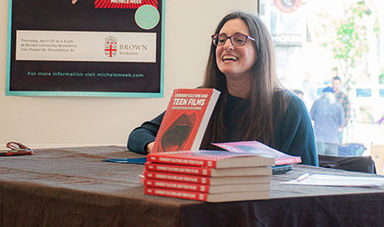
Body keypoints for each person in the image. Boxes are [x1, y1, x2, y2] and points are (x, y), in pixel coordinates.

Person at [127, 11, 318, 166]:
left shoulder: (289, 107)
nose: (227, 46)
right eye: (221, 39)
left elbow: (310, 176)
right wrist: (156, 147)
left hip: (265, 207)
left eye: (239, 39)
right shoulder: (200, 99)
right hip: (202, 204)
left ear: (261, 50)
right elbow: (138, 135)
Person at [310, 87, 344, 156]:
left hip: (319, 139)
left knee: (320, 162)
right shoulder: (338, 106)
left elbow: (311, 117)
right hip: (332, 140)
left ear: (322, 94)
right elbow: (341, 122)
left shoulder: (317, 103)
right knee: (332, 163)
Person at [331, 76, 351, 143]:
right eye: (333, 83)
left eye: (337, 84)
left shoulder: (344, 96)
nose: (334, 85)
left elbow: (347, 113)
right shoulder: (328, 95)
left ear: (340, 85)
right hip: (328, 127)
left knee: (337, 147)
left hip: (338, 127)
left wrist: (341, 127)